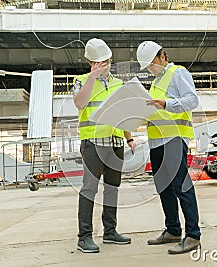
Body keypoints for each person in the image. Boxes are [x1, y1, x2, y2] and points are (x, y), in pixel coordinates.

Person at [136, 41, 201, 254]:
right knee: (163, 188)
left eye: (151, 63)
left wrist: (166, 104)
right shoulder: (156, 82)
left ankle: (193, 235)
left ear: (163, 56)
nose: (150, 68)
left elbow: (192, 100)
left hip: (174, 139)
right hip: (157, 141)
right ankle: (173, 230)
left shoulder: (177, 73)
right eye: (146, 66)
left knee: (181, 187)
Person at [73, 38, 134, 253]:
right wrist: (92, 78)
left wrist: (129, 138)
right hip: (93, 144)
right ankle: (84, 236)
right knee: (89, 189)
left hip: (116, 143)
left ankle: (110, 232)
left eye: (106, 61)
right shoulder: (81, 80)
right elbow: (79, 103)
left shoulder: (118, 83)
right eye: (98, 62)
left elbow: (124, 114)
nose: (103, 65)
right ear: (90, 62)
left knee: (111, 189)